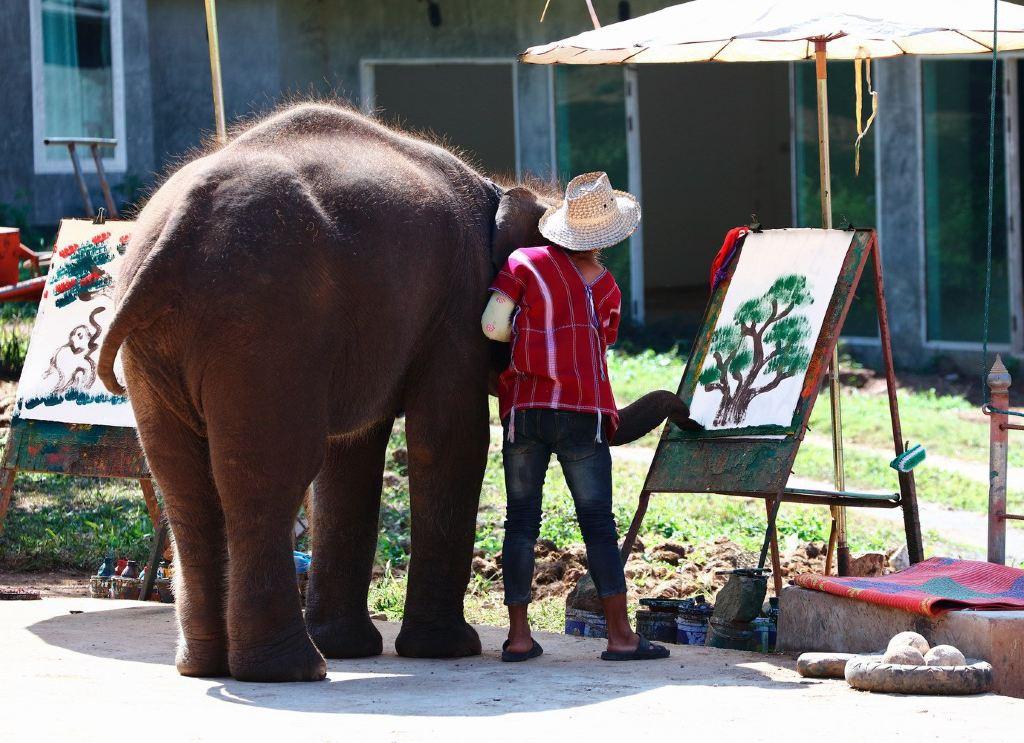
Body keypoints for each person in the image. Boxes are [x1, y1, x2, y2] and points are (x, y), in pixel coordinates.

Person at [481, 172, 670, 662]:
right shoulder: (606, 287)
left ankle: (519, 637)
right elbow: (600, 343)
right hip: (583, 415)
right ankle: (621, 637)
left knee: (520, 521)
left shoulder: (522, 263)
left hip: (525, 410)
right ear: (610, 235)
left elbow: (491, 326)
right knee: (598, 523)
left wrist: (531, 340)